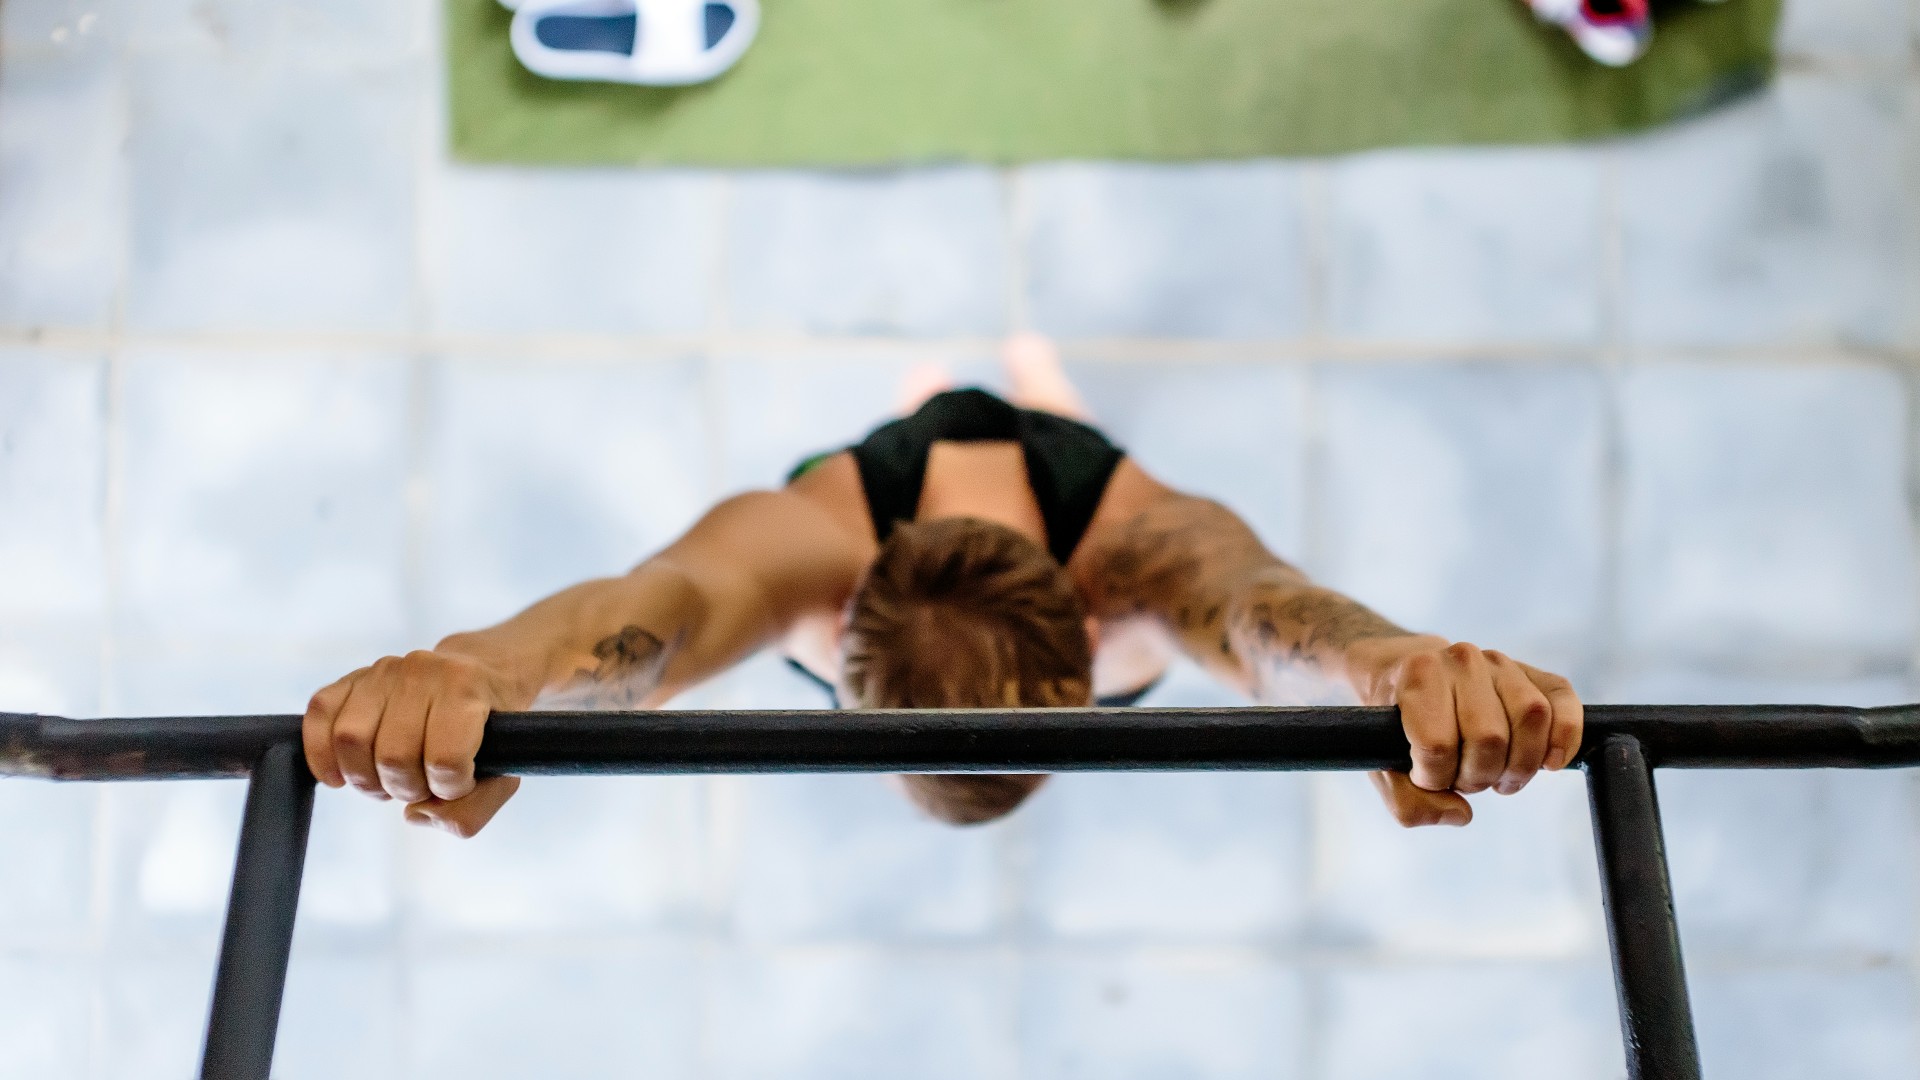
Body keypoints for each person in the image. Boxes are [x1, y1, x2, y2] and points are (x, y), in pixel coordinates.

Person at [302, 336, 1583, 836]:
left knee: (1006, 410)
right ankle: (1014, 393)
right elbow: (1259, 626)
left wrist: (1387, 674)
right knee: (1042, 416)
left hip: (965, 492)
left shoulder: (812, 545)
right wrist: (495, 680)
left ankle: (989, 392)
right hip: (1048, 499)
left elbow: (663, 617)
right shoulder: (1133, 554)